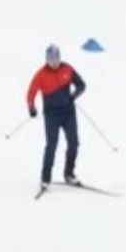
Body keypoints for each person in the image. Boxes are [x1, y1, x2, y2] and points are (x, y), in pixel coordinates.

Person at [26, 44, 87, 190]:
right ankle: (45, 178)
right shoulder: (41, 74)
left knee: (74, 143)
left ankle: (69, 173)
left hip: (68, 113)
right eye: (50, 58)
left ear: (60, 57)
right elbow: (31, 92)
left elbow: (81, 85)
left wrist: (73, 96)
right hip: (52, 115)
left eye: (56, 58)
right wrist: (32, 108)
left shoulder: (67, 69)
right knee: (51, 146)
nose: (54, 61)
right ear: (46, 59)